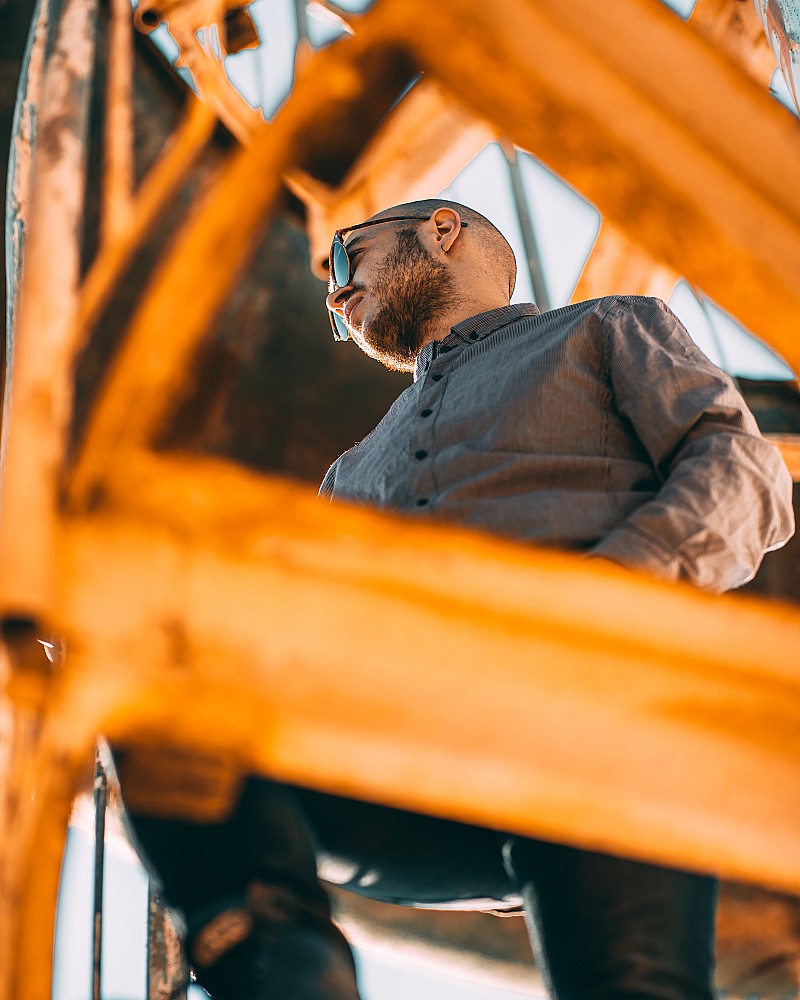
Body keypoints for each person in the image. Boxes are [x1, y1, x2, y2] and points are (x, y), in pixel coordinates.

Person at [125, 198, 794, 1000]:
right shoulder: (350, 473)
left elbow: (744, 473)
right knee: (164, 699)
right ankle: (281, 958)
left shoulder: (608, 327)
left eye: (345, 260)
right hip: (412, 762)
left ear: (443, 232)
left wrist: (617, 593)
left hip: (603, 730)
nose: (337, 298)